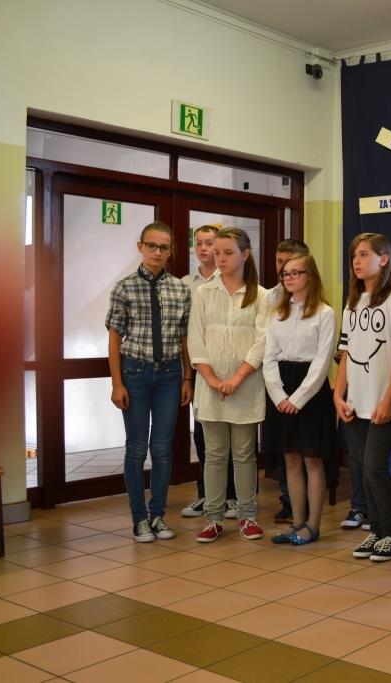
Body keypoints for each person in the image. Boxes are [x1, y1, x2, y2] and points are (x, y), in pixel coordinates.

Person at [106, 221, 192, 542]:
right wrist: (117, 383)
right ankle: (139, 519)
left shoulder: (180, 289)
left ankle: (157, 516)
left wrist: (187, 376)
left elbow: (184, 338)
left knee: (162, 448)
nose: (157, 252)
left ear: (171, 251)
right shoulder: (124, 288)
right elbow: (115, 339)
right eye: (151, 245)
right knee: (137, 447)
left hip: (170, 375)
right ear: (140, 247)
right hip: (135, 373)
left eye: (163, 247)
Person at [335, 233, 391, 562]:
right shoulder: (353, 302)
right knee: (363, 470)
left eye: (364, 254)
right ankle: (376, 532)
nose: (357, 261)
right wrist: (338, 395)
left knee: (375, 467)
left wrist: (388, 400)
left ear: (383, 259)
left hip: (384, 403)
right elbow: (346, 354)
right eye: (354, 255)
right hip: (356, 402)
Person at [188, 227, 270, 543]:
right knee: (214, 455)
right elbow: (196, 340)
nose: (220, 258)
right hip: (210, 387)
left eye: (227, 253)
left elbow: (262, 342)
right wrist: (211, 379)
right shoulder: (203, 292)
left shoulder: (261, 295)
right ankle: (213, 518)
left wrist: (236, 378)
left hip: (245, 385)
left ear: (245, 255)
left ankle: (247, 516)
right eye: (216, 252)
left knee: (245, 454)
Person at [263, 253, 337, 545]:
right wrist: (279, 395)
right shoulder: (278, 312)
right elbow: (269, 357)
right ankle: (296, 523)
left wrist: (299, 398)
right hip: (282, 388)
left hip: (311, 391)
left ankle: (313, 526)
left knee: (312, 459)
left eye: (296, 273)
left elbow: (322, 361)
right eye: (285, 274)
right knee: (290, 458)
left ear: (310, 275)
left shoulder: (324, 312)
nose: (289, 278)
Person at [181, 224, 237, 520]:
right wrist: (190, 376)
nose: (204, 249)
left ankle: (233, 497)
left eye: (210, 244)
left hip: (231, 370)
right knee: (204, 437)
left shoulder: (231, 278)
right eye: (199, 243)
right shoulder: (185, 284)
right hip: (201, 371)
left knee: (233, 439)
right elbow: (187, 334)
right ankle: (206, 495)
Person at [266, 238, 311, 525]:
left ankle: (305, 509)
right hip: (277, 382)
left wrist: (297, 396)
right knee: (285, 449)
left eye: (289, 264)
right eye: (279, 262)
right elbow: (268, 345)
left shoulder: (317, 304)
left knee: (305, 450)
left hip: (305, 383)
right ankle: (287, 499)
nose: (283, 269)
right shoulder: (270, 297)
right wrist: (278, 393)